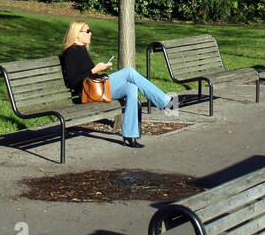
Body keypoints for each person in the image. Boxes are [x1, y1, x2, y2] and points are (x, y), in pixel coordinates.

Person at [59, 21, 177, 149]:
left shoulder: (81, 49)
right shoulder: (71, 52)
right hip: (86, 92)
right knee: (129, 72)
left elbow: (87, 74)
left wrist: (100, 69)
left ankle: (129, 135)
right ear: (76, 34)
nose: (90, 33)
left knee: (131, 88)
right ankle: (166, 102)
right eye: (87, 31)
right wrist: (94, 70)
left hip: (97, 88)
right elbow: (73, 81)